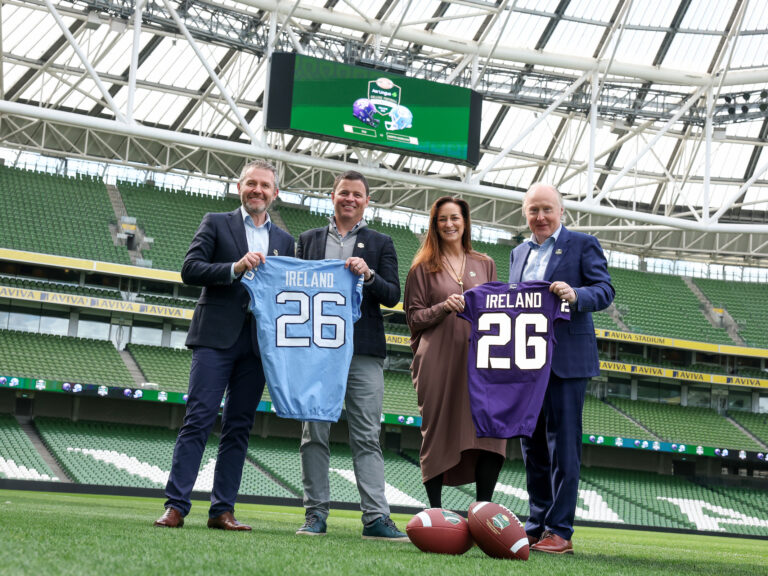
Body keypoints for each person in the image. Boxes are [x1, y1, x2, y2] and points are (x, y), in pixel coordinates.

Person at [154, 159, 295, 530]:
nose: (258, 191)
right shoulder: (215, 222)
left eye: (265, 186)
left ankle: (222, 510)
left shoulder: (285, 241)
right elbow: (190, 269)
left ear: (275, 193)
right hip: (216, 337)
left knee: (238, 427)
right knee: (198, 418)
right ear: (239, 187)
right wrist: (235, 268)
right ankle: (176, 506)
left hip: (258, 345)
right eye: (251, 183)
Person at [295, 170, 407, 540]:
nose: (350, 199)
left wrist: (370, 275)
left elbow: (392, 294)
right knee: (314, 434)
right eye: (344, 192)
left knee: (366, 435)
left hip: (363, 351)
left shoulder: (381, 242)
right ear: (332, 196)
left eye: (357, 194)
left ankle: (376, 518)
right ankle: (315, 514)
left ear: (366, 201)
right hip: (318, 351)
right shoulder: (308, 240)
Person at [509, 183, 614, 554]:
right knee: (532, 447)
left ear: (561, 211)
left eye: (547, 210)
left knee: (563, 448)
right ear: (526, 213)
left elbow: (604, 290)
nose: (540, 217)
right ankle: (536, 524)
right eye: (533, 210)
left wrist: (576, 294)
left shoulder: (584, 244)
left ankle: (560, 531)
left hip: (566, 361)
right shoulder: (518, 252)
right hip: (527, 362)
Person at [403, 196, 506, 509]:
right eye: (442, 219)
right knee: (437, 432)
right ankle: (435, 510)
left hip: (481, 361)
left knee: (491, 432)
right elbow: (413, 318)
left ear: (465, 222)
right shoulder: (422, 268)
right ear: (435, 225)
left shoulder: (485, 263)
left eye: (454, 218)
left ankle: (483, 511)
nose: (449, 224)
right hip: (437, 360)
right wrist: (441, 308)